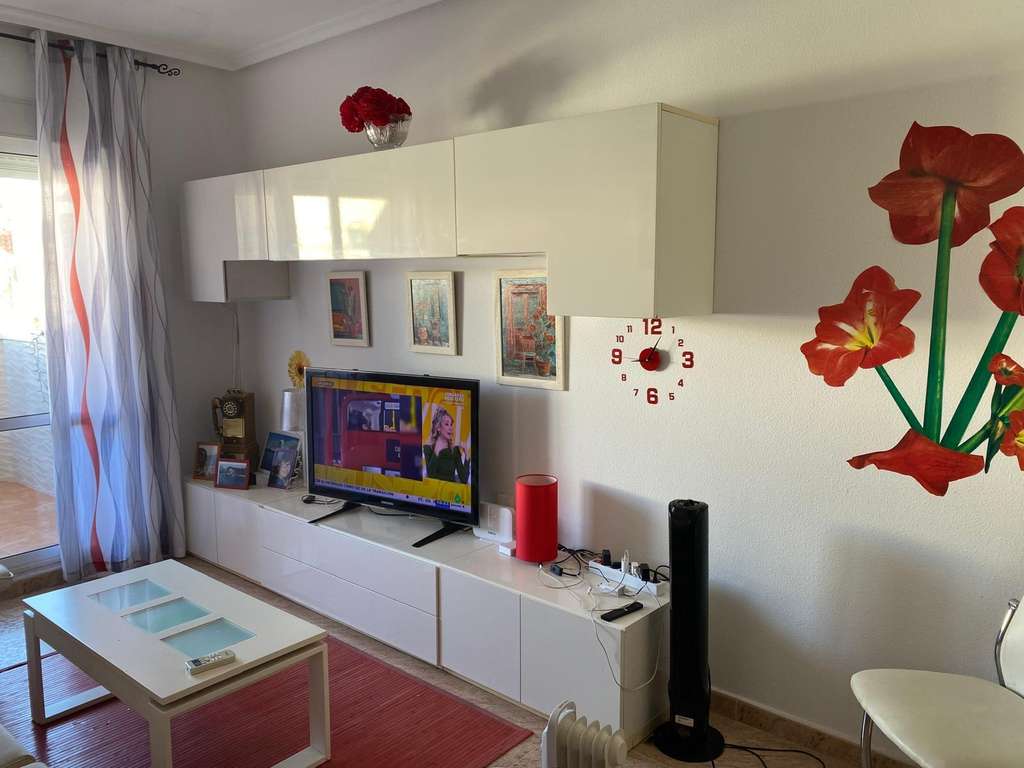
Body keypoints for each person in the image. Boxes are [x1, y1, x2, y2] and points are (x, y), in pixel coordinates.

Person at [423, 406, 469, 483]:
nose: (450, 428)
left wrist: (467, 454)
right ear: (438, 428)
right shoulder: (428, 447)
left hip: (450, 489)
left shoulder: (454, 450)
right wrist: (436, 451)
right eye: (447, 424)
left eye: (451, 424)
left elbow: (464, 479)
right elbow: (431, 476)